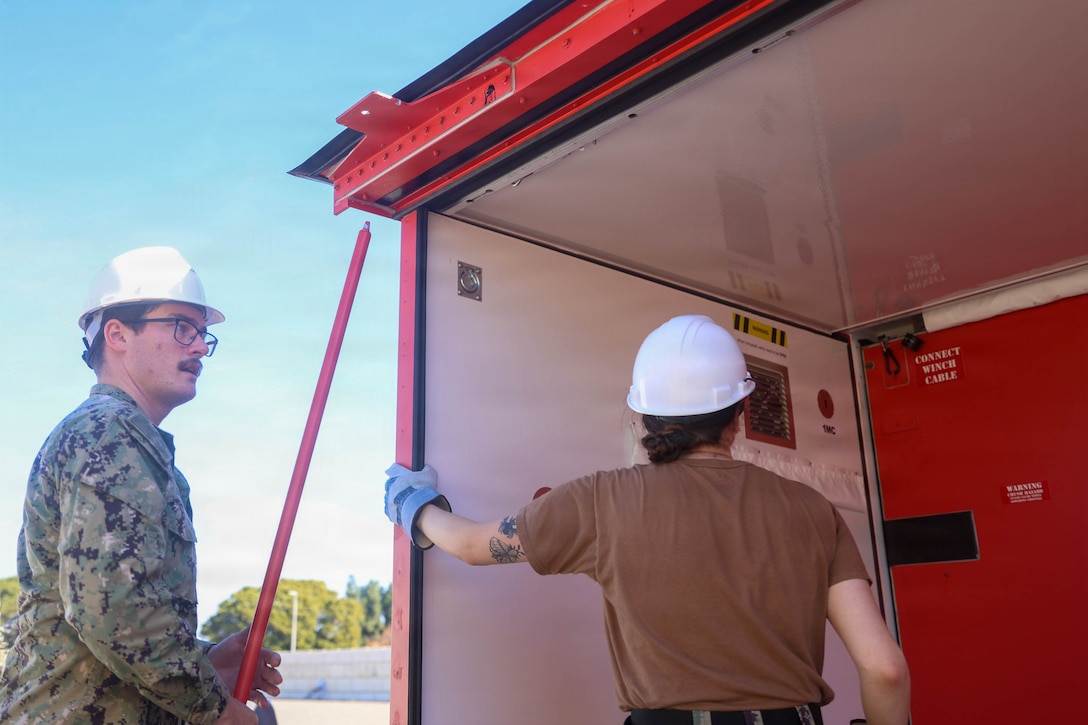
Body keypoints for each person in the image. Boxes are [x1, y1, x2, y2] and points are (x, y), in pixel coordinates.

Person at [384, 314, 910, 725]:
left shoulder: (604, 500)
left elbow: (475, 545)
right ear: (740, 412)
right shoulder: (812, 509)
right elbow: (884, 670)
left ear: (644, 416)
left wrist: (414, 505)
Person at [1, 247, 282, 724]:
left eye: (202, 335)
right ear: (117, 334)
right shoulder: (109, 433)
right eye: (181, 328)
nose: (198, 347)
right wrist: (215, 710)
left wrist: (206, 662)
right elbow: (114, 611)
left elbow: (106, 611)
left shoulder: (130, 442)